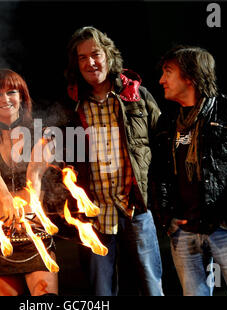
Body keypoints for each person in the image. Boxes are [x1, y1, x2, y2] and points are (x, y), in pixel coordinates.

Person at [153, 45, 227, 296]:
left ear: (190, 77)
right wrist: (167, 217)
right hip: (184, 231)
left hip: (226, 229)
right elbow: (159, 174)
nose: (161, 80)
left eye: (168, 72)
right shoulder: (168, 121)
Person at [62, 26, 164, 296]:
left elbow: (164, 146)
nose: (90, 62)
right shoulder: (71, 105)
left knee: (150, 287)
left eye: (95, 54)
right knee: (101, 293)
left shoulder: (136, 96)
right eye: (82, 58)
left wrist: (161, 198)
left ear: (108, 55)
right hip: (96, 214)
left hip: (136, 207)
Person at [0, 69, 59, 296]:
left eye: (11, 92)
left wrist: (25, 213)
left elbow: (34, 176)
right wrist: (8, 202)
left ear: (22, 98)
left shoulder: (44, 134)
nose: (5, 99)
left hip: (34, 233)